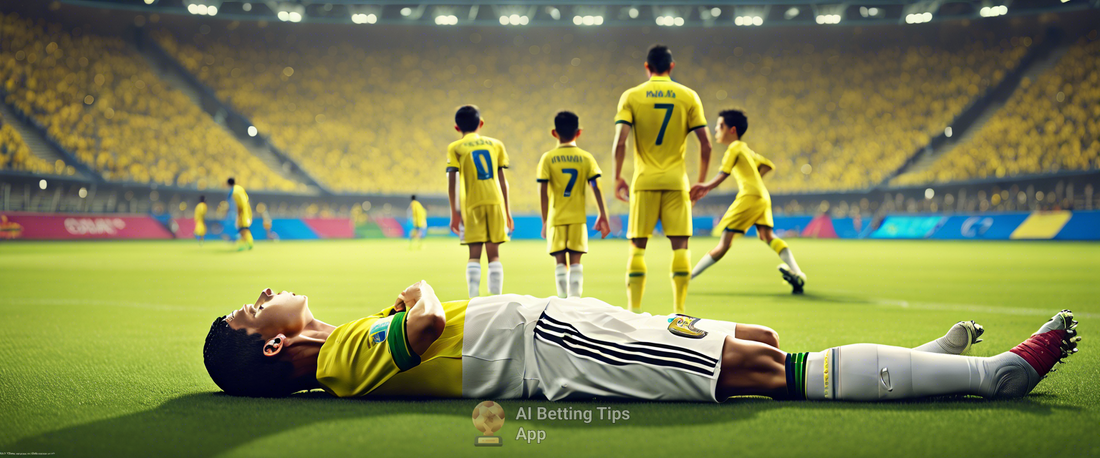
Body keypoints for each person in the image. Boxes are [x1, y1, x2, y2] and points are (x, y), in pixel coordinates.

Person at [203, 281, 1080, 402]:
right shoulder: (338, 358)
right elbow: (428, 323)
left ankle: (923, 364)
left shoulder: (344, 346)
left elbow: (417, 341)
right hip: (552, 349)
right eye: (253, 310)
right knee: (764, 369)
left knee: (759, 336)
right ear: (273, 347)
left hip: (558, 325)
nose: (265, 297)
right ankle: (987, 375)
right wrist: (420, 292)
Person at [612, 44, 712, 314]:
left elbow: (620, 142)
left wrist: (617, 177)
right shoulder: (688, 96)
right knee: (680, 248)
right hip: (676, 182)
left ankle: (633, 312)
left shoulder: (631, 96)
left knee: (637, 248)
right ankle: (679, 312)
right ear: (672, 66)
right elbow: (706, 144)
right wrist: (701, 182)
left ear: (647, 67)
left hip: (644, 182)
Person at [689, 110, 807, 293]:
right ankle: (798, 272)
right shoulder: (745, 149)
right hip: (762, 196)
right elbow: (767, 165)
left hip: (750, 196)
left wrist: (705, 187)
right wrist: (756, 181)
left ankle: (687, 278)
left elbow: (723, 173)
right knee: (767, 236)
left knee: (724, 243)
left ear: (732, 130)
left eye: (720, 126)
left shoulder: (734, 148)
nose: (716, 129)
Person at [537, 111, 612, 298]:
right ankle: (575, 302)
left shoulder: (548, 158)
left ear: (554, 133)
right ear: (579, 132)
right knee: (576, 263)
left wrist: (545, 220)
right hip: (578, 219)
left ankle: (562, 302)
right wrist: (603, 214)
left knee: (560, 263)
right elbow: (595, 186)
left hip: (556, 218)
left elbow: (543, 192)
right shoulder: (586, 158)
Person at [446, 105, 514, 298]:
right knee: (494, 254)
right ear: (481, 123)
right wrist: (507, 212)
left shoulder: (455, 148)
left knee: (474, 254)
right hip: (495, 202)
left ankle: (474, 300)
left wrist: (454, 213)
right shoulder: (496, 145)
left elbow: (452, 183)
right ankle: (496, 299)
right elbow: (503, 181)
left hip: (472, 205)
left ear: (457, 127)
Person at [227, 178, 253, 251]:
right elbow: (246, 199)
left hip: (242, 213)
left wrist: (239, 214)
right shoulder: (239, 188)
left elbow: (239, 205)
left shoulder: (234, 192)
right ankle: (250, 243)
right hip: (247, 210)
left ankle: (243, 245)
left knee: (242, 230)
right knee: (245, 229)